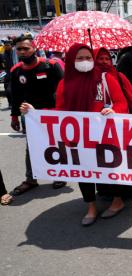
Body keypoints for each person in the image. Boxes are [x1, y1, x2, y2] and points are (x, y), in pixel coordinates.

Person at [22, 43, 130, 226]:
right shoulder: (65, 84)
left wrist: (113, 111)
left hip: (104, 136)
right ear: (71, 60)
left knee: (109, 170)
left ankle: (117, 201)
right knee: (82, 172)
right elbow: (60, 112)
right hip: (78, 138)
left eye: (88, 58)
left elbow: (122, 104)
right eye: (80, 58)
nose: (85, 61)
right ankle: (91, 207)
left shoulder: (105, 78)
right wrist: (36, 113)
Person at [9, 33, 66, 195]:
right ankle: (31, 179)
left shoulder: (51, 65)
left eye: (26, 48)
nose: (22, 52)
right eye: (19, 49)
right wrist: (14, 117)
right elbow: (15, 97)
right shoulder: (15, 71)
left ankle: (59, 174)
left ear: (35, 48)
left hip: (52, 115)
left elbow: (64, 89)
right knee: (31, 147)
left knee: (55, 145)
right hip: (30, 117)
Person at [95, 47, 132, 115]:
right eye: (101, 59)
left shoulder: (119, 76)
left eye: (107, 59)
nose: (104, 61)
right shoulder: (89, 77)